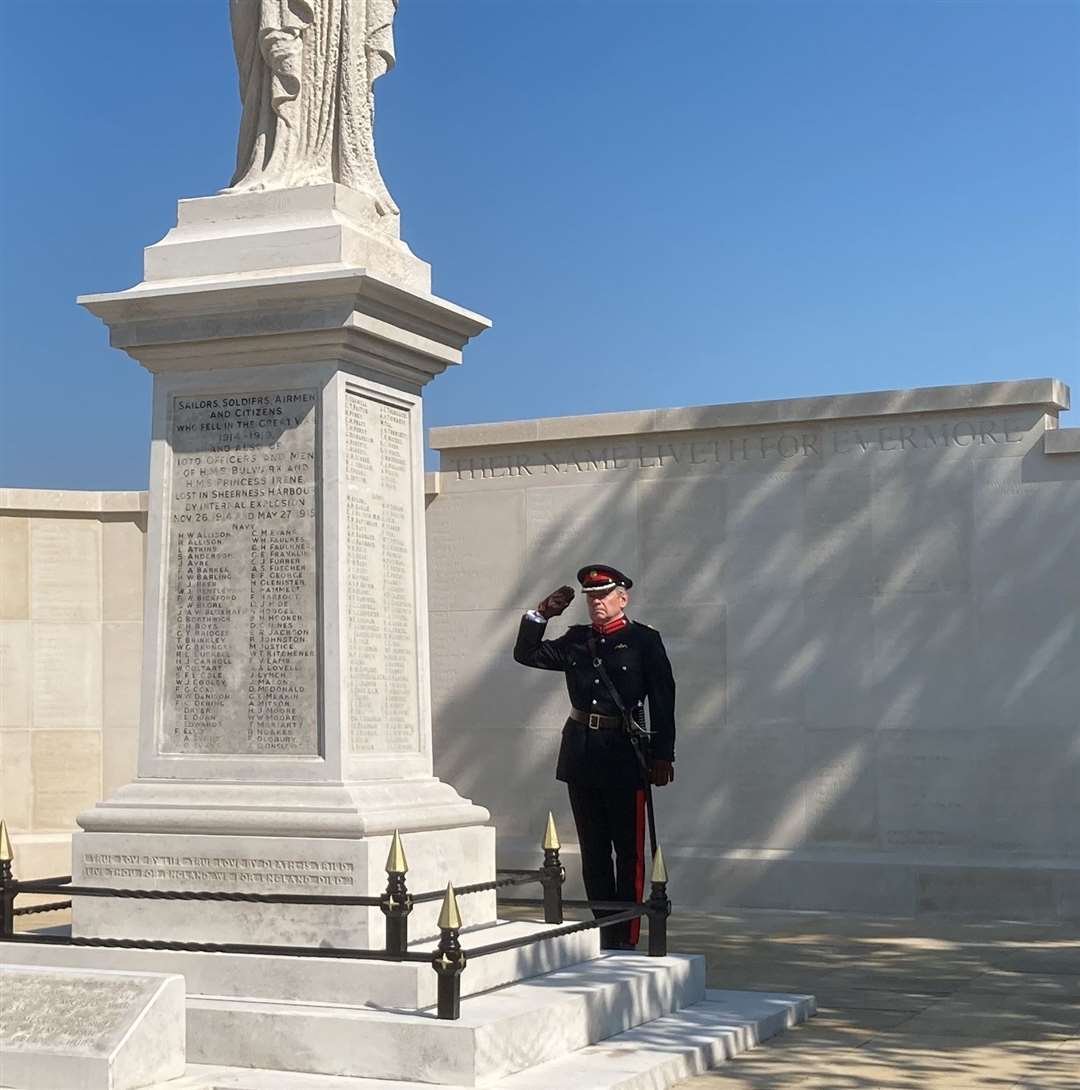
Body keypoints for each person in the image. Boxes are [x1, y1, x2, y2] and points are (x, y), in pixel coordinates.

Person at [513, 565, 676, 949]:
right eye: (591, 597)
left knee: (630, 853)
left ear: (623, 598)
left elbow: (663, 699)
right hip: (583, 755)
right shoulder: (577, 640)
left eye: (603, 596)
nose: (597, 603)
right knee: (594, 852)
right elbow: (528, 654)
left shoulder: (643, 641)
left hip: (624, 755)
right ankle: (606, 928)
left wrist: (662, 755)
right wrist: (542, 614)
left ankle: (628, 934)